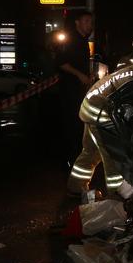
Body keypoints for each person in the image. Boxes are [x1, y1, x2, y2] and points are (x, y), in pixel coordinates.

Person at [67, 53, 133, 198]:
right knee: (113, 154)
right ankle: (118, 195)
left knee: (91, 151)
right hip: (98, 112)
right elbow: (129, 107)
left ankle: (75, 187)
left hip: (90, 106)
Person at [56, 10, 93, 168]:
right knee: (71, 123)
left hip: (78, 89)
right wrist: (80, 75)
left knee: (79, 122)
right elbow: (61, 63)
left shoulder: (83, 41)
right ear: (77, 23)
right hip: (69, 89)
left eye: (91, 22)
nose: (89, 24)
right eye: (86, 21)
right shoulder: (71, 39)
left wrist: (88, 75)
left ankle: (76, 156)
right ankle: (69, 160)